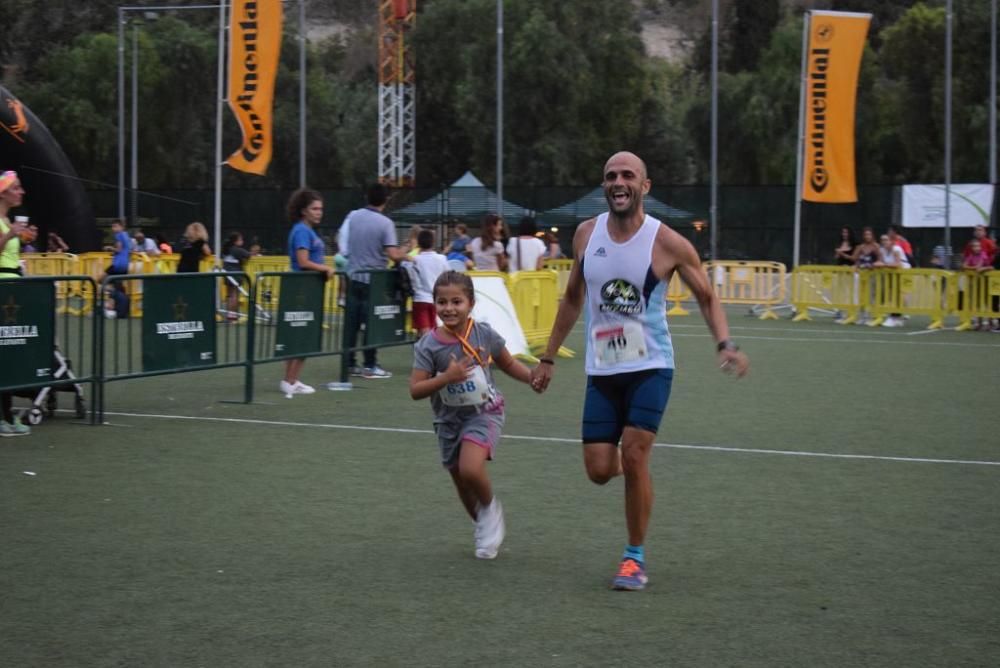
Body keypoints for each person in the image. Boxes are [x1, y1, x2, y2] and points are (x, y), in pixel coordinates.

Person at [530, 151, 749, 591]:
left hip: (651, 366)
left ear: (644, 186)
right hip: (603, 371)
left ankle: (634, 558)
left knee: (633, 453)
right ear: (604, 185)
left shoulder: (667, 242)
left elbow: (706, 296)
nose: (618, 181)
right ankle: (637, 469)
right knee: (598, 469)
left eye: (628, 175)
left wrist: (724, 343)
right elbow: (573, 298)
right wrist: (548, 357)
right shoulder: (586, 235)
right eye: (611, 175)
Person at [409, 270, 538, 559]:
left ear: (471, 303)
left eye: (457, 301)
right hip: (447, 420)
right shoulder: (427, 346)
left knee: (470, 468)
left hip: (484, 412)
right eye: (442, 302)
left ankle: (491, 507)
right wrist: (446, 377)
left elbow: (507, 364)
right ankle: (482, 524)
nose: (449, 308)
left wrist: (532, 378)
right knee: (459, 478)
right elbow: (416, 389)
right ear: (434, 305)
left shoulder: (484, 334)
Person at [343, 183, 406, 379]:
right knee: (372, 324)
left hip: (353, 276)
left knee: (352, 324)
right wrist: (407, 251)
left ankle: (349, 363)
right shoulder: (385, 223)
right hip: (374, 280)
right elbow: (393, 255)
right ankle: (370, 364)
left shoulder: (353, 217)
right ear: (386, 200)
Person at [281, 189, 335, 395]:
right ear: (304, 211)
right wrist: (326, 269)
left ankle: (291, 379)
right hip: (302, 287)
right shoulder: (302, 231)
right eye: (314, 209)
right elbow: (303, 261)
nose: (319, 212)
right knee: (302, 334)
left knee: (300, 333)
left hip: (306, 287)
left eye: (320, 209)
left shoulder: (306, 230)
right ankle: (291, 380)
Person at [0, 170, 31, 436]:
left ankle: (7, 415)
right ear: (3, 192)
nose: (21, 192)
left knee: (8, 354)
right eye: (17, 188)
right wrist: (9, 235)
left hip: (11, 289)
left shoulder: (7, 220)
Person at [410, 229, 450, 336]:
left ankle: (425, 350)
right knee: (433, 329)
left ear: (418, 243)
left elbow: (411, 278)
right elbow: (448, 277)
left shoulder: (415, 260)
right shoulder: (442, 259)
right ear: (433, 242)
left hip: (420, 298)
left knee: (423, 331)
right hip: (437, 299)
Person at [961, 239, 995, 330]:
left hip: (986, 282)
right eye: (974, 246)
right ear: (971, 248)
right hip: (976, 283)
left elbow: (980, 266)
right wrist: (973, 268)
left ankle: (990, 323)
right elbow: (964, 266)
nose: (977, 248)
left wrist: (978, 268)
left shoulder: (983, 254)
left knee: (988, 302)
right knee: (978, 303)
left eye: (978, 246)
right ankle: (979, 323)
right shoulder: (971, 256)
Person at [221, 232, 251, 321]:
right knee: (234, 295)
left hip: (226, 274)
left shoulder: (226, 249)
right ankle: (232, 315)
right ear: (235, 241)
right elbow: (248, 255)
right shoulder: (236, 249)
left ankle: (230, 313)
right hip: (235, 274)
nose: (242, 241)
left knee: (229, 295)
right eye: (240, 240)